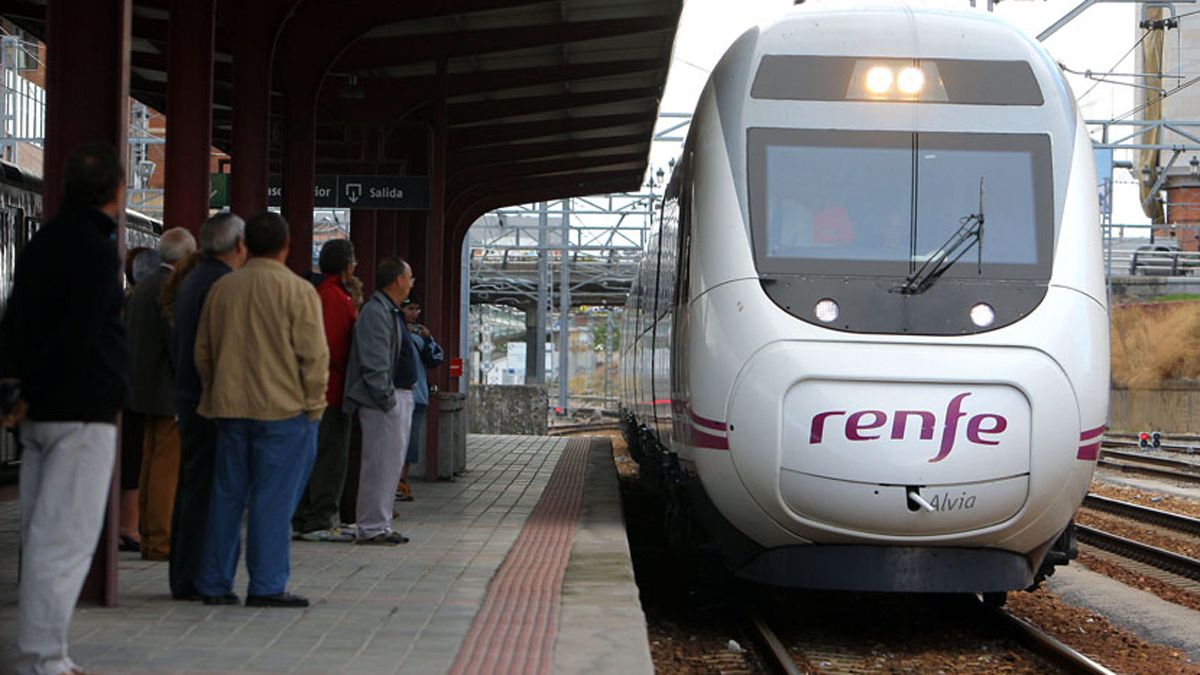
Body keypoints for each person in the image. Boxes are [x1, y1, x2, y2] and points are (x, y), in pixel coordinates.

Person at [0, 142, 129, 675]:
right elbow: (79, 335)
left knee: (40, 533)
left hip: (41, 412)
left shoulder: (42, 243)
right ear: (118, 194)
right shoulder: (98, 252)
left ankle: (40, 649)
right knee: (66, 538)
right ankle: (43, 656)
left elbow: (15, 322)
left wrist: (18, 390)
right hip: (81, 410)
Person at [194, 211, 328, 607]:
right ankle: (267, 585)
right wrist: (313, 405)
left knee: (226, 498)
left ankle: (215, 583)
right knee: (273, 500)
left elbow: (202, 353)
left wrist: (215, 392)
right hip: (285, 412)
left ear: (245, 245)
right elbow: (314, 356)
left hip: (230, 410)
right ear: (286, 246)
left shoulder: (223, 289)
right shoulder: (298, 291)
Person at [167, 212, 246, 601]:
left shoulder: (194, 280)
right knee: (210, 490)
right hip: (210, 401)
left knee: (193, 487)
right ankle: (198, 575)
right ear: (239, 246)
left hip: (189, 395)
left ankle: (184, 574)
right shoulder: (221, 284)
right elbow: (219, 350)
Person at [126, 227, 196, 561]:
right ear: (184, 258)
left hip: (143, 391)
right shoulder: (171, 288)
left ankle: (149, 535)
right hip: (168, 393)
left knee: (149, 465)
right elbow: (176, 344)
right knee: (166, 470)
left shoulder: (142, 288)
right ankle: (161, 540)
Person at [344, 256, 416, 546]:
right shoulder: (377, 312)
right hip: (384, 401)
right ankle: (372, 526)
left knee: (390, 465)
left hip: (396, 396)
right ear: (398, 280)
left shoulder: (389, 310)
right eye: (409, 277)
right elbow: (374, 360)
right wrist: (386, 399)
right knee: (380, 464)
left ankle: (380, 523)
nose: (411, 283)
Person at [293, 239, 358, 542]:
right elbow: (331, 347)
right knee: (330, 457)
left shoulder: (326, 294)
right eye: (353, 261)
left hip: (325, 388)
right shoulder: (333, 297)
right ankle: (318, 517)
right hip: (331, 390)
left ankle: (310, 515)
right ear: (347, 266)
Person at [119, 246, 159, 553]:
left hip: (127, 390)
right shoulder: (152, 299)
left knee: (131, 459)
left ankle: (128, 525)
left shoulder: (125, 301)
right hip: (146, 393)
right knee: (138, 459)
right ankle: (130, 527)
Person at [397, 296, 443, 501]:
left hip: (419, 396)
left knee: (410, 442)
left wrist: (428, 338)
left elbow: (436, 359)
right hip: (400, 394)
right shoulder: (394, 329)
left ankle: (402, 481)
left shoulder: (421, 334)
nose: (414, 313)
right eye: (410, 309)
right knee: (399, 442)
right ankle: (397, 483)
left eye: (417, 309)